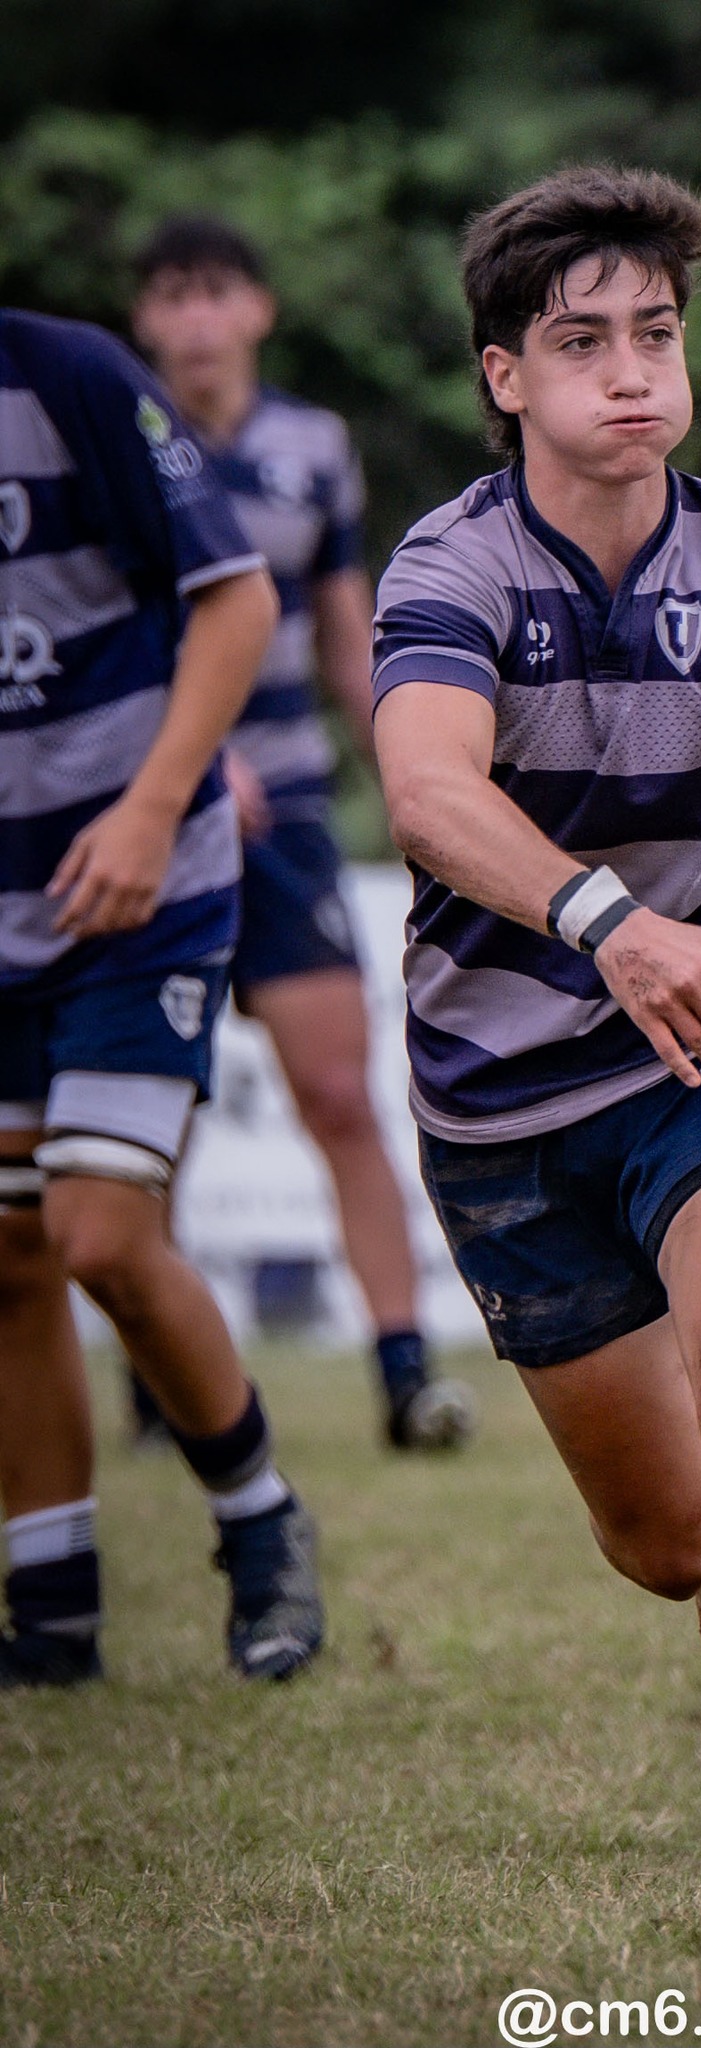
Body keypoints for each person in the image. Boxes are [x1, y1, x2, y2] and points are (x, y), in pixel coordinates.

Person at [371, 165, 701, 1891]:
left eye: (654, 333)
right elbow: (430, 793)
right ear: (502, 375)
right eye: (579, 339)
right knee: (672, 1538)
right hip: (497, 1089)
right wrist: (610, 921)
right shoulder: (451, 564)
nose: (628, 370)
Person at [0, 306, 323, 1684]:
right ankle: (54, 1612)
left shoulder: (64, 374)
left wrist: (147, 811)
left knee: (101, 1235)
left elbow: (238, 596)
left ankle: (263, 1529)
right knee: (8, 1258)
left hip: (142, 886)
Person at [130, 216, 475, 1452]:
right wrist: (182, 756)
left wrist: (402, 751)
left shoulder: (311, 448)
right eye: (172, 296)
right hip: (147, 817)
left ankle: (401, 1371)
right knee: (148, 1108)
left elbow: (342, 619)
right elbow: (104, 636)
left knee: (339, 1091)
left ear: (260, 310)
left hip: (287, 817)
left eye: (218, 291)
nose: (197, 318)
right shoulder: (119, 439)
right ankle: (161, 1378)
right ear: (144, 321)